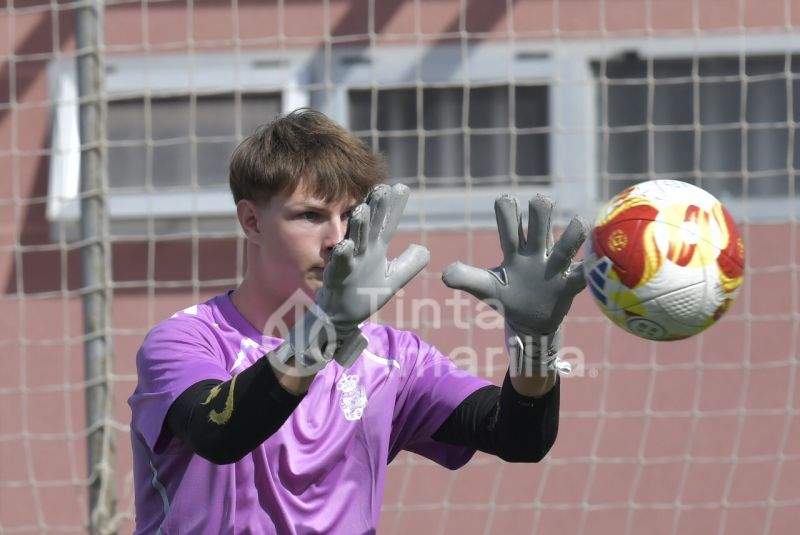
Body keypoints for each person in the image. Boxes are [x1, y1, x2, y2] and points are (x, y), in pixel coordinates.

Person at [128, 108, 588, 534]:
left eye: (350, 216)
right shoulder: (186, 341)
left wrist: (537, 344)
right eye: (310, 215)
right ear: (251, 221)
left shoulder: (395, 359)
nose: (337, 239)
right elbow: (220, 432)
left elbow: (518, 437)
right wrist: (325, 327)